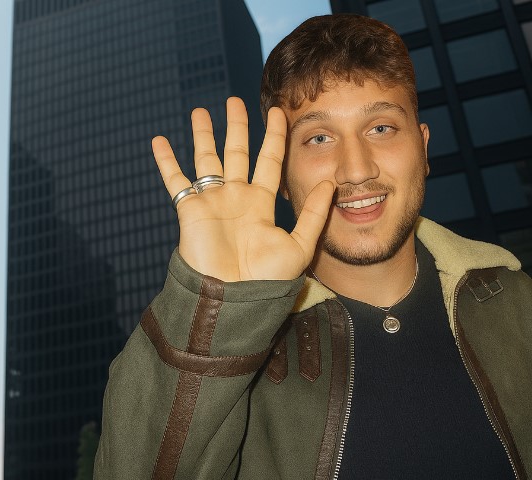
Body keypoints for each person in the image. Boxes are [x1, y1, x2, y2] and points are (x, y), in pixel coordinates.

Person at [93, 13, 532, 480]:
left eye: (381, 128)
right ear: (282, 177)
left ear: (423, 149)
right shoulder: (248, 350)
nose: (356, 169)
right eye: (319, 138)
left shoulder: (517, 303)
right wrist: (213, 310)